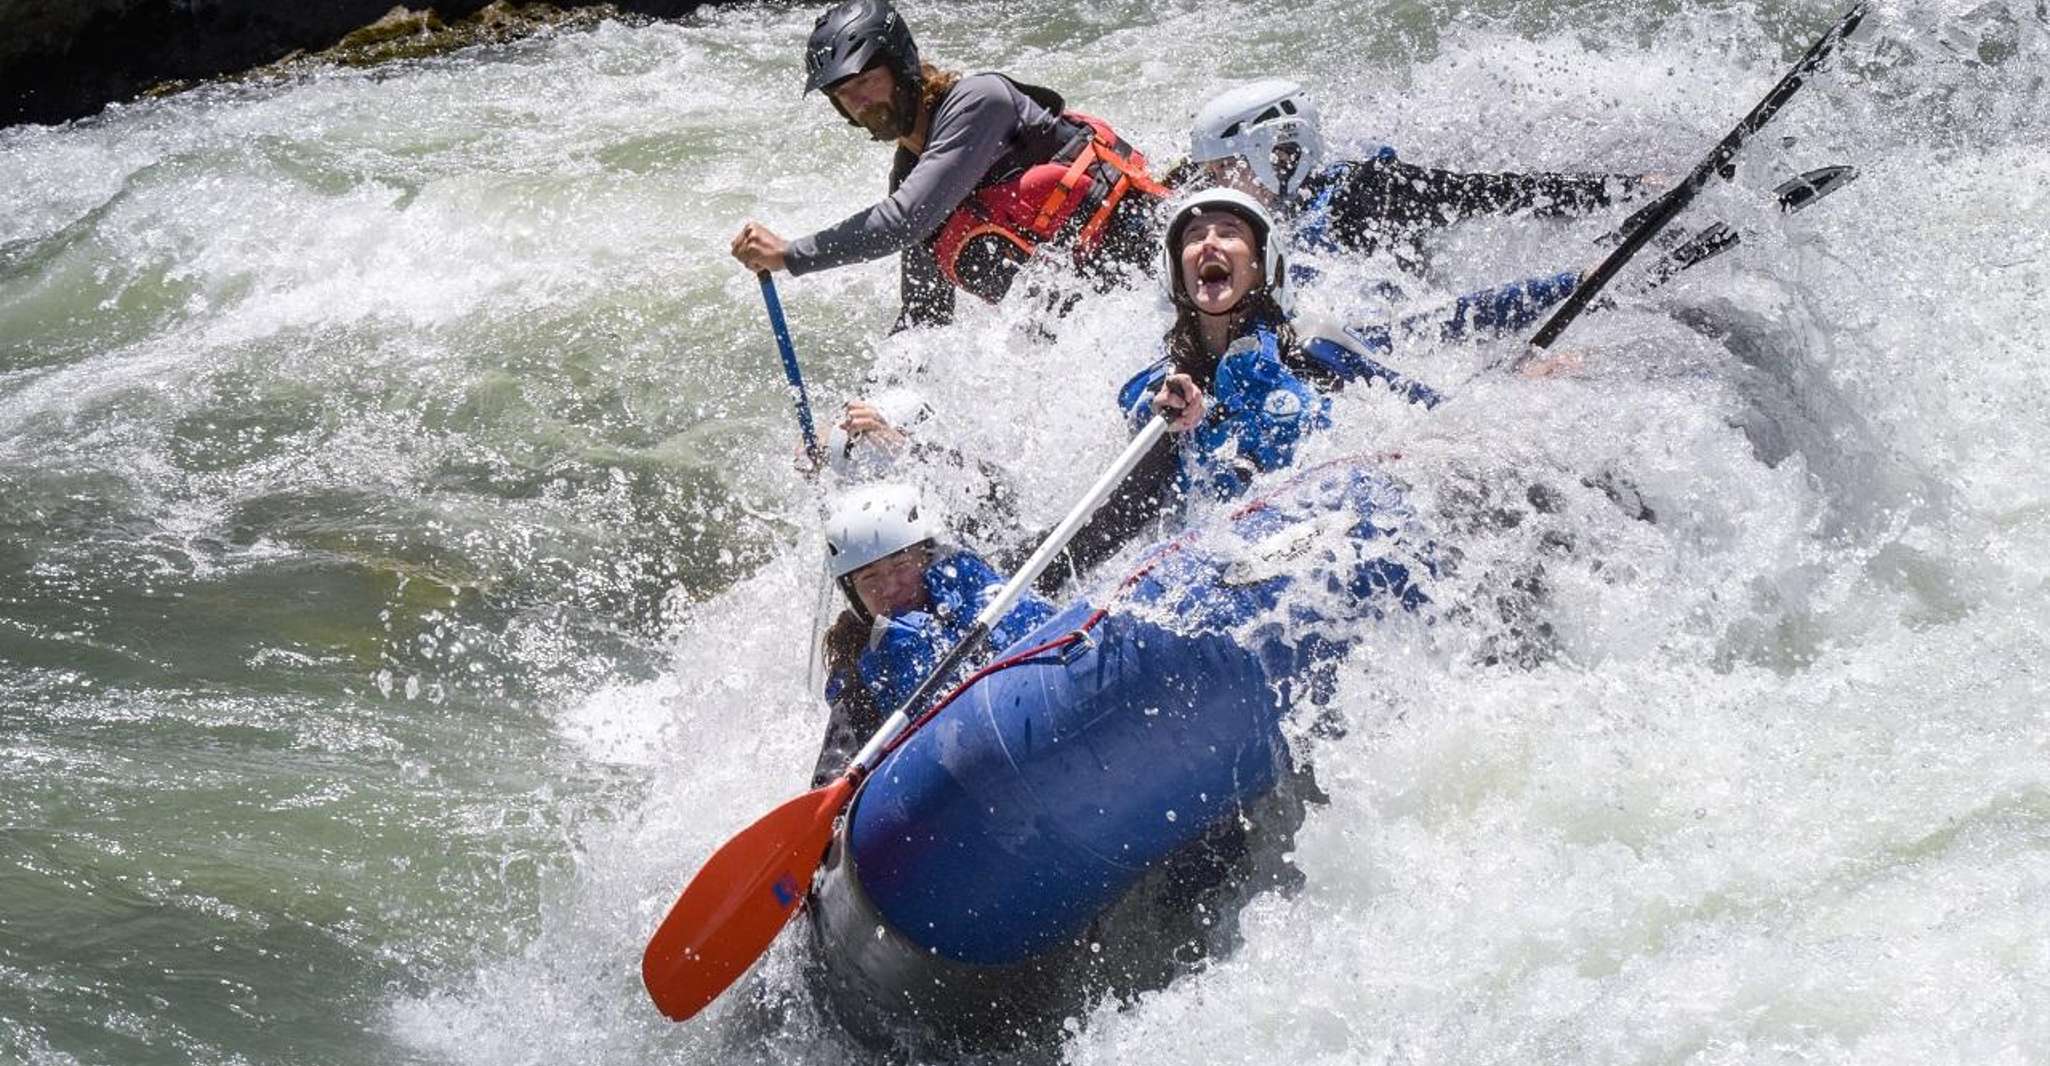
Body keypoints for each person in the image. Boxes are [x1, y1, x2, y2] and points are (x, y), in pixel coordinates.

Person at [1049, 188, 1583, 583]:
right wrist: (1169, 420)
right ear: (1176, 274)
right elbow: (1128, 489)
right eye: (1193, 237)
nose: (1208, 243)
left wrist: (1506, 380)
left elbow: (1434, 416)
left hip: (1326, 536)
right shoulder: (1155, 386)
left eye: (1228, 233)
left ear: (1262, 267)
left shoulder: (1314, 347)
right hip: (1216, 567)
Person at [730, 0, 1168, 332]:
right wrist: (862, 417)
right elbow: (924, 320)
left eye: (867, 80)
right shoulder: (910, 178)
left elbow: (903, 222)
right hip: (1099, 321)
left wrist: (790, 255)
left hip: (1160, 271)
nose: (860, 102)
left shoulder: (981, 102)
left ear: (902, 68)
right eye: (845, 93)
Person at [1183, 79, 1651, 277]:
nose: (1214, 184)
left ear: (1278, 154)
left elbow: (1496, 195)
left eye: (1223, 169)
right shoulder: (1239, 224)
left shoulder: (1370, 195)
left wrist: (1625, 189)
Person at [810, 482, 1055, 785]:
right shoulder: (861, 673)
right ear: (853, 593)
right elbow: (835, 768)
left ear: (926, 557)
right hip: (968, 773)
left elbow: (1093, 531)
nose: (889, 588)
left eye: (900, 565)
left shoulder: (994, 586)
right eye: (869, 577)